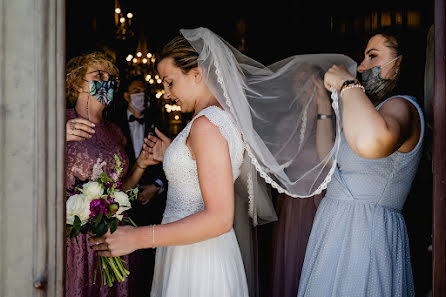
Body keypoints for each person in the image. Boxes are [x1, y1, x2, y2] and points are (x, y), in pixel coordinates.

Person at [89, 27, 356, 297]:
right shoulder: (214, 117)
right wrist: (172, 154)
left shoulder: (207, 124)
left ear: (197, 74)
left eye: (170, 82)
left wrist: (138, 237)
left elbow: (219, 218)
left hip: (198, 257)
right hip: (188, 247)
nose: (167, 93)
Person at [297, 26, 424, 297]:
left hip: (366, 233)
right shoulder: (370, 109)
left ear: (399, 63)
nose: (362, 66)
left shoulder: (402, 107)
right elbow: (328, 162)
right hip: (334, 226)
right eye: (363, 58)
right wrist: (323, 103)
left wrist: (347, 84)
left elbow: (372, 142)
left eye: (373, 56)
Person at [65, 51, 155, 297]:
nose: (109, 81)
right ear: (76, 82)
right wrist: (55, 137)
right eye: (99, 75)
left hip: (115, 235)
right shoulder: (59, 120)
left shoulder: (114, 131)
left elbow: (120, 192)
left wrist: (141, 165)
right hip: (77, 241)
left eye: (112, 77)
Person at [108, 75, 168, 296]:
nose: (140, 96)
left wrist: (157, 186)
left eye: (143, 91)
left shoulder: (158, 122)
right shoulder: (113, 124)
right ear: (126, 96)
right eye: (135, 91)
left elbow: (172, 161)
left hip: (153, 203)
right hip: (122, 205)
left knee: (151, 259)